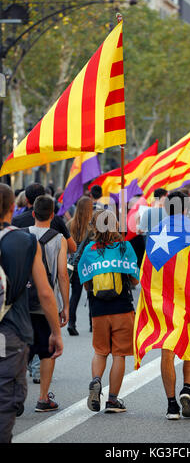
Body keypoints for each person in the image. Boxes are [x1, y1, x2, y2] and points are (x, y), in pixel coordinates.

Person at [134, 191, 190, 420]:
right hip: (187, 302)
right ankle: (186, 390)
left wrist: (148, 303)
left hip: (162, 304)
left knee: (167, 352)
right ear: (186, 209)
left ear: (166, 208)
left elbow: (145, 272)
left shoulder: (155, 233)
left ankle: (171, 406)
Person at [0, 184, 63, 443]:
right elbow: (46, 291)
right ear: (14, 207)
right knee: (6, 399)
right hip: (10, 330)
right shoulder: (25, 240)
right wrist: (56, 332)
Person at [77, 209, 139, 413]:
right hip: (122, 308)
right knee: (119, 354)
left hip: (98, 309)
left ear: (94, 226)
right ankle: (113, 400)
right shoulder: (125, 247)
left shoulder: (89, 250)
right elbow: (134, 279)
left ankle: (96, 381)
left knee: (100, 351)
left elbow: (86, 283)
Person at [26, 195, 69, 412]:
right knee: (47, 350)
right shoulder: (59, 238)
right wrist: (66, 306)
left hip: (22, 302)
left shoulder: (23, 236)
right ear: (53, 215)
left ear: (33, 213)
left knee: (21, 349)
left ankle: (14, 396)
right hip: (47, 302)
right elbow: (62, 275)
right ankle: (43, 398)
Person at [12, 183, 76, 253]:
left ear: (26, 199)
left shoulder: (17, 220)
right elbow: (72, 248)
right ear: (44, 197)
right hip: (51, 263)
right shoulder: (56, 219)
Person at [67, 196, 93, 335]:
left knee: (75, 295)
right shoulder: (92, 226)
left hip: (75, 265)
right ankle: (92, 324)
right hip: (89, 264)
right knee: (91, 293)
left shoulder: (70, 224)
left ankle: (72, 323)